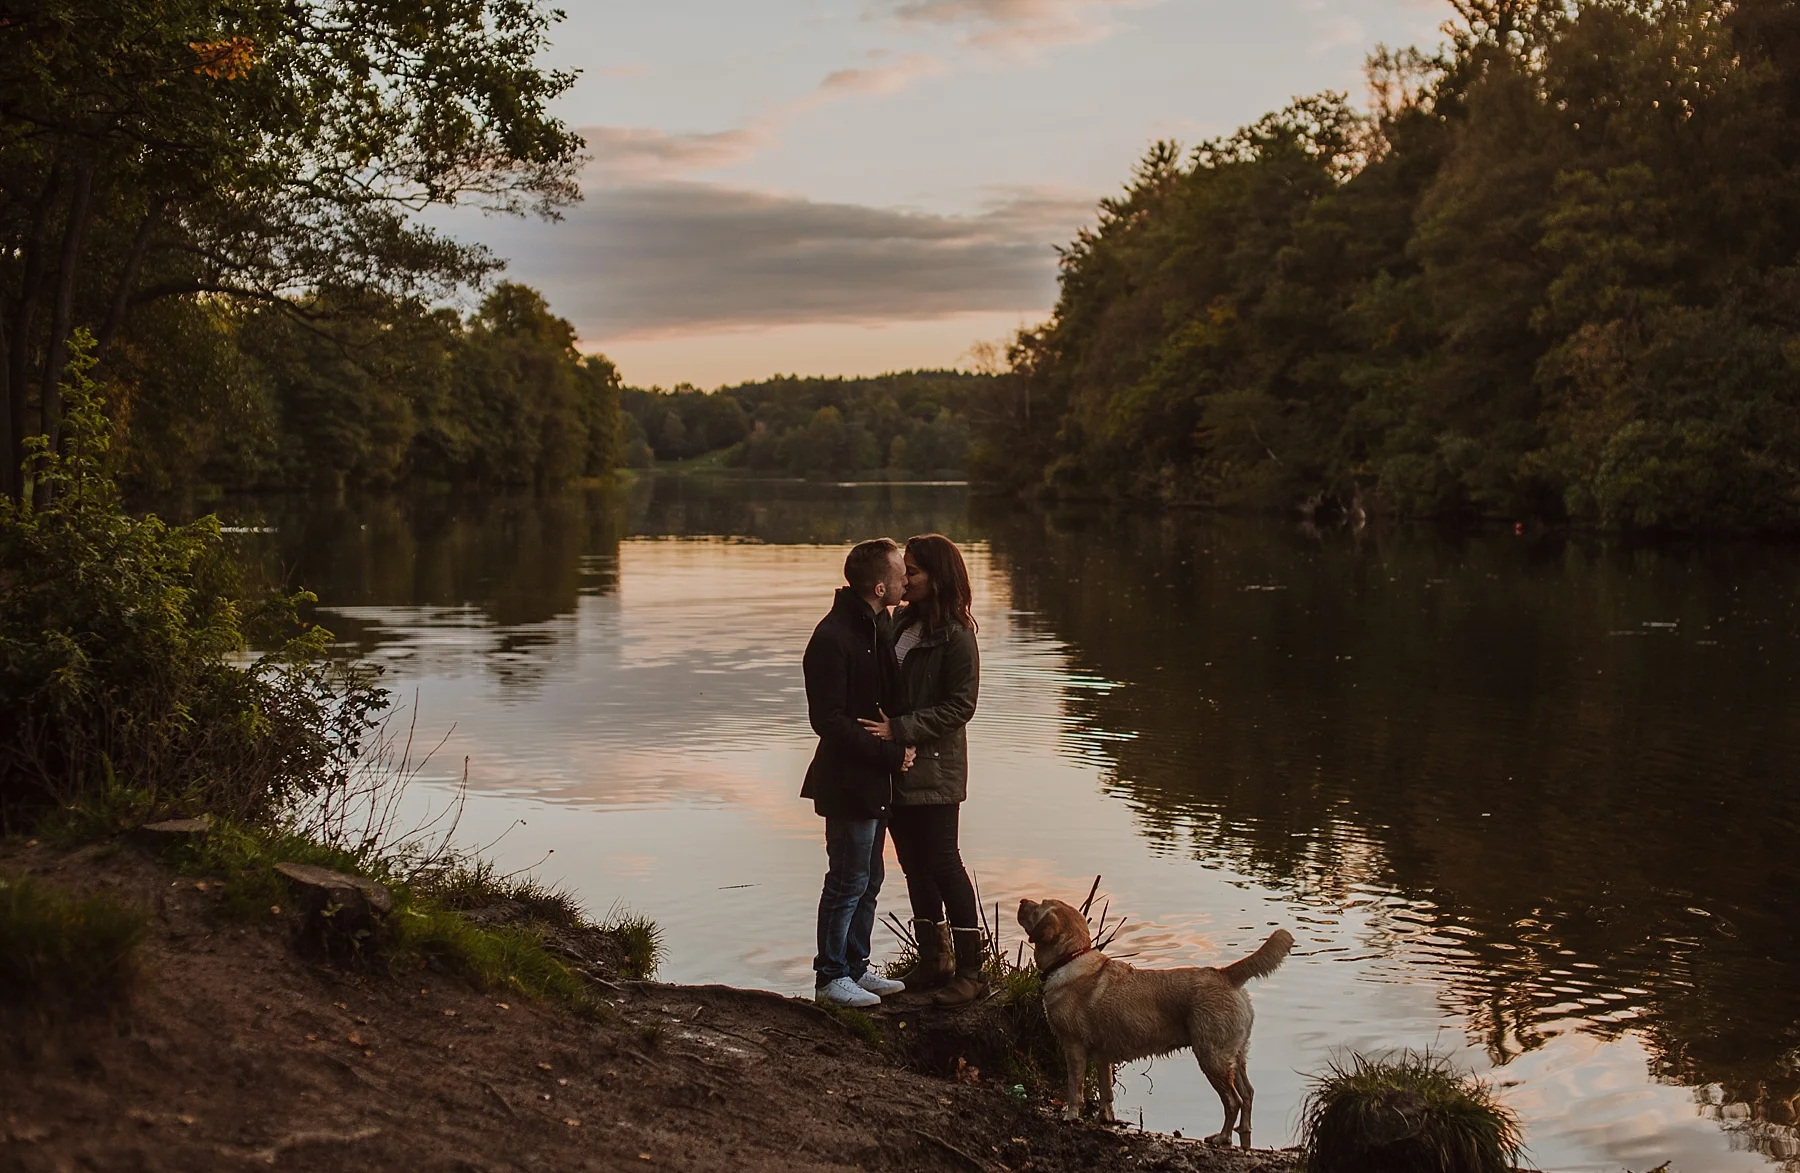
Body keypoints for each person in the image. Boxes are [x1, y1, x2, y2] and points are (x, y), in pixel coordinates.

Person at [861, 533, 983, 1007]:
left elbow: (961, 706)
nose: (904, 578)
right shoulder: (899, 622)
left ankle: (972, 972)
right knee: (912, 865)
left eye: (912, 571)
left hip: (935, 769)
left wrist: (902, 730)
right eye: (904, 569)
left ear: (939, 576)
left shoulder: (957, 635)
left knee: (944, 863)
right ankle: (935, 961)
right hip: (898, 767)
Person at [801, 537, 917, 1008]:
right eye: (899, 573)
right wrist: (890, 754)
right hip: (848, 782)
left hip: (874, 781)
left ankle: (855, 967)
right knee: (846, 880)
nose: (906, 579)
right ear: (878, 585)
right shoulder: (834, 637)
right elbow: (826, 721)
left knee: (869, 879)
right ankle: (830, 978)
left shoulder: (877, 626)